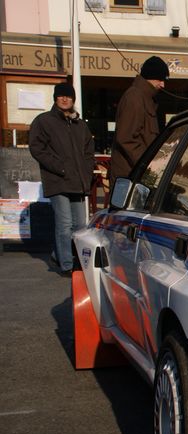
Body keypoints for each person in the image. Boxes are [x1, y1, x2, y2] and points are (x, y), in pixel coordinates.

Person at [28, 82, 95, 277]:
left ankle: (64, 256)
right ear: (55, 98)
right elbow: (37, 148)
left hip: (78, 181)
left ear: (73, 99)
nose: (65, 99)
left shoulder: (80, 125)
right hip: (57, 180)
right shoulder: (44, 121)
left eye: (68, 96)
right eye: (61, 96)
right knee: (64, 224)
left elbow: (89, 152)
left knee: (80, 226)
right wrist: (60, 167)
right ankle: (67, 264)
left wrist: (87, 172)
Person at [109, 55, 169, 185]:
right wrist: (148, 165)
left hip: (136, 175)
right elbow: (126, 138)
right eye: (161, 79)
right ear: (150, 77)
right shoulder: (134, 98)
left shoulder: (145, 98)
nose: (163, 84)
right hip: (129, 176)